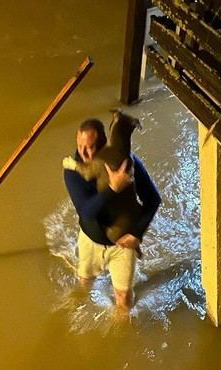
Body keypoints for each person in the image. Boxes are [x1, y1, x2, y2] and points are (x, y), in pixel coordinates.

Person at [63, 118, 161, 312]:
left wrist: (137, 234)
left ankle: (122, 336)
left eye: (90, 147)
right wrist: (113, 188)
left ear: (104, 143)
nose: (83, 153)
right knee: (84, 283)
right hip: (91, 241)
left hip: (122, 245)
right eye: (80, 146)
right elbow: (86, 211)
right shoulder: (73, 171)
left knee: (124, 300)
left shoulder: (126, 163)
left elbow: (153, 199)